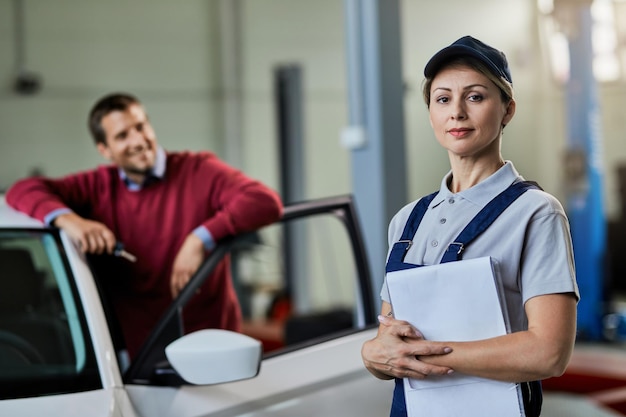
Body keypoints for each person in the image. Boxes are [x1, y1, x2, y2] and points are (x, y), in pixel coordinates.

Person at [361, 36, 579, 416]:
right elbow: (389, 341)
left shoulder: (536, 214)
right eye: (443, 99)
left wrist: (428, 353)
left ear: (507, 110)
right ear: (430, 112)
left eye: (475, 97)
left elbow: (549, 353)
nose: (457, 112)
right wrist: (371, 354)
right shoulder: (407, 220)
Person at [6, 92, 283, 359]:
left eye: (141, 127)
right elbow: (21, 190)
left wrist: (199, 238)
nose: (138, 140)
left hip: (214, 349)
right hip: (142, 359)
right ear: (105, 150)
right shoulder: (97, 187)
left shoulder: (199, 169)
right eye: (123, 135)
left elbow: (265, 202)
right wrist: (72, 222)